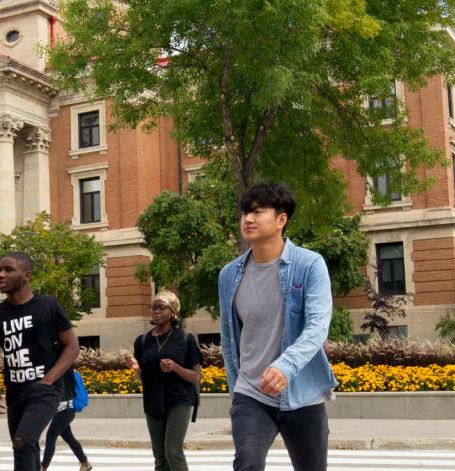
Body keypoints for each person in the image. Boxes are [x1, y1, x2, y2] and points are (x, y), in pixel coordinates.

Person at [217, 181, 337, 471]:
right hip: (252, 394)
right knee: (248, 465)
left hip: (303, 394)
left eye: (257, 212)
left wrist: (286, 366)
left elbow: (317, 326)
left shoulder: (309, 265)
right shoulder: (229, 274)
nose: (247, 219)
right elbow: (229, 338)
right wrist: (237, 392)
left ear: (281, 219)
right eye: (245, 212)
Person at [0, 252, 80, 471]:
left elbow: (72, 347)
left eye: (8, 270)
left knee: (23, 440)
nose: (0, 275)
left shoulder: (47, 305)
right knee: (24, 448)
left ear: (26, 275)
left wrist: (48, 380)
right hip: (15, 391)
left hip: (45, 390)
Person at [126, 290, 202, 471]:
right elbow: (144, 378)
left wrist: (175, 367)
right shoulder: (142, 341)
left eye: (161, 308)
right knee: (159, 456)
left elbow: (195, 376)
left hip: (179, 400)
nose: (156, 312)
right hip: (153, 400)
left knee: (173, 451)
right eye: (153, 308)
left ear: (173, 312)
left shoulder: (185, 339)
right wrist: (137, 369)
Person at [40, 380, 92, 471]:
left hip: (65, 411)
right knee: (69, 438)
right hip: (64, 411)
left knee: (51, 437)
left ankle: (43, 467)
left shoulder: (62, 373)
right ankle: (85, 463)